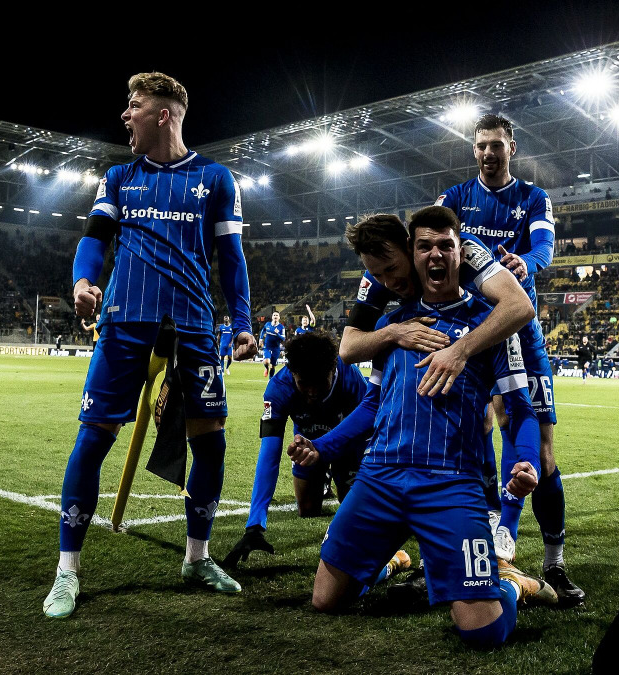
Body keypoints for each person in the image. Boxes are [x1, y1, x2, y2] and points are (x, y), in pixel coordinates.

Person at [289, 206, 556, 648]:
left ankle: (512, 584)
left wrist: (526, 459)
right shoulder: (392, 325)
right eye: (424, 246)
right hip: (380, 477)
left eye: (445, 246)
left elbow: (519, 410)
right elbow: (372, 404)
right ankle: (393, 559)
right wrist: (324, 448)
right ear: (413, 255)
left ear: (460, 252)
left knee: (484, 633)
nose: (435, 254)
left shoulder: (491, 326)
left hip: (450, 483)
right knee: (325, 600)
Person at [43, 72, 257, 619]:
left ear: (163, 114)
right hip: (124, 322)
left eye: (133, 106)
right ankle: (67, 572)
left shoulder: (215, 179)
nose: (125, 115)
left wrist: (241, 322)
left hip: (194, 328)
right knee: (93, 441)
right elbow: (94, 240)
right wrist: (83, 283)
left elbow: (231, 260)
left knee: (211, 445)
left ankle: (197, 557)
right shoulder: (119, 177)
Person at [434, 114, 582, 605]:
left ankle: (553, 562)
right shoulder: (455, 198)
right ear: (473, 150)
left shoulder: (533, 198)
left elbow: (544, 243)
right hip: (467, 332)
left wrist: (527, 262)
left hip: (519, 328)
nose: (488, 153)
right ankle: (475, 555)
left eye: (496, 145)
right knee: (468, 441)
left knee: (541, 452)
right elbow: (430, 238)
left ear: (511, 148)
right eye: (480, 145)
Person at [337, 213, 534, 526]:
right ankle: (472, 507)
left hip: (502, 324)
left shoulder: (464, 252)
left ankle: (503, 523)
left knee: (507, 415)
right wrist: (393, 332)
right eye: (379, 275)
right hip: (440, 322)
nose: (389, 282)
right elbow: (347, 349)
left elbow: (519, 308)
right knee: (469, 412)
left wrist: (460, 351)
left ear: (408, 246)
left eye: (391, 269)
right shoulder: (377, 277)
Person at [223, 332, 370, 567]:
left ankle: (338, 476)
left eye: (319, 383)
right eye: (303, 383)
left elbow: (369, 426)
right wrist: (255, 524)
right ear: (292, 373)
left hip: (348, 444)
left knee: (356, 515)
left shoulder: (351, 378)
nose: (311, 391)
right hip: (306, 448)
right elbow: (269, 455)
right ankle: (323, 478)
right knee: (308, 510)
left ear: (334, 369)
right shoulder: (278, 389)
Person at [260, 311, 285, 378]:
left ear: (279, 317)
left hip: (276, 348)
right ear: (272, 317)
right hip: (267, 347)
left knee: (273, 366)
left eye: (277, 315)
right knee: (267, 361)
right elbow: (263, 330)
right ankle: (266, 368)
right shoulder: (268, 324)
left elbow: (283, 338)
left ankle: (270, 379)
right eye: (274, 315)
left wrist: (277, 334)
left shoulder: (281, 327)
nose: (275, 316)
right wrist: (260, 338)